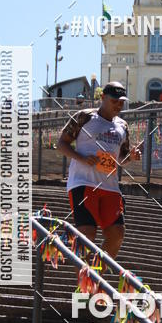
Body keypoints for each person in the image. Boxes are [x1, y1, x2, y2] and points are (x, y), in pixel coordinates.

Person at [57, 82, 131, 265]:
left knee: (117, 234)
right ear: (103, 98)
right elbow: (61, 144)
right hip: (83, 182)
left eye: (122, 102)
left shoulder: (123, 125)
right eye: (115, 101)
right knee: (87, 234)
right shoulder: (84, 117)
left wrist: (132, 156)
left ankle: (94, 278)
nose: (118, 105)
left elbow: (122, 158)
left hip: (111, 186)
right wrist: (81, 158)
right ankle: (83, 287)